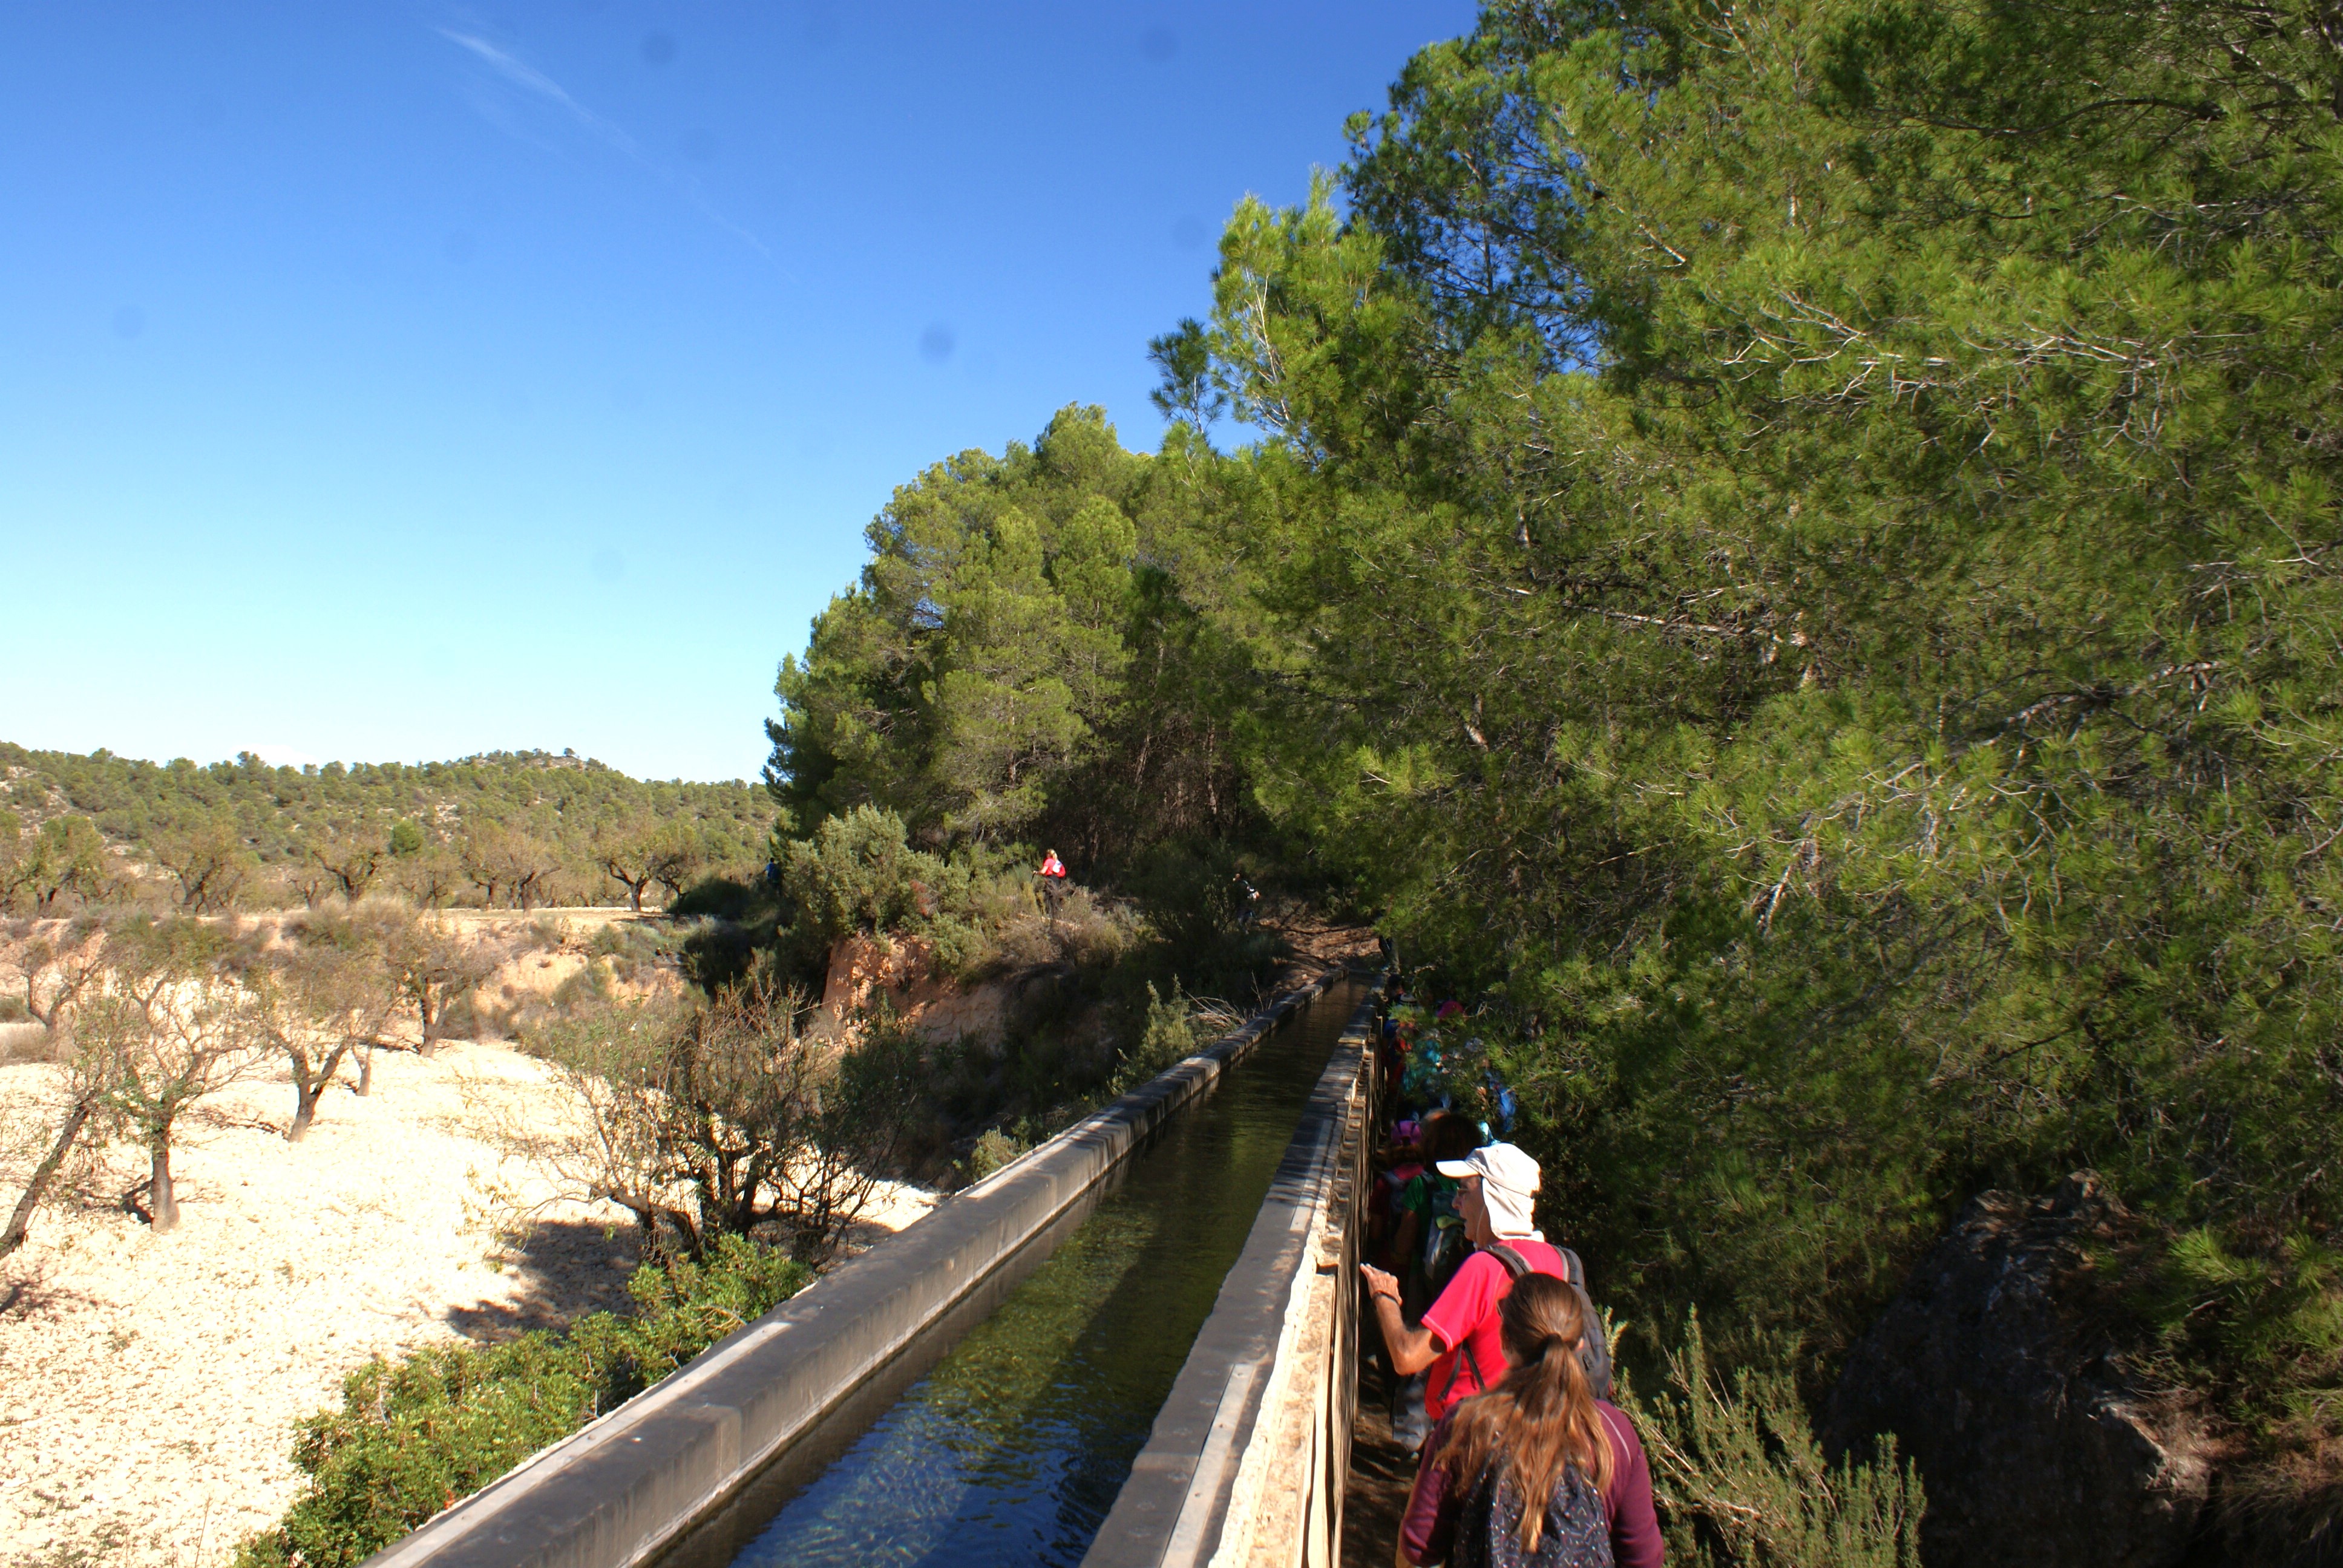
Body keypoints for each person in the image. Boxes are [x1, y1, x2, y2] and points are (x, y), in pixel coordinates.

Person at [1397, 1273, 1663, 1568]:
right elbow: (1645, 1560)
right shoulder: (1613, 1433)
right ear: (1580, 1343)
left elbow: (1419, 1547)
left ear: (1505, 1340)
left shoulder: (1468, 1424)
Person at [1362, 1144, 1575, 1435]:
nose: (1455, 1203)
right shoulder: (1560, 1262)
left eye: (1464, 1191)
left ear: (1492, 1197)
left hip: (1472, 1436)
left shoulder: (1485, 1268)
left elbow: (1407, 1356)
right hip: (1530, 1434)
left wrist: (1384, 1296)